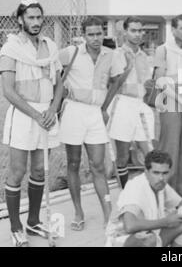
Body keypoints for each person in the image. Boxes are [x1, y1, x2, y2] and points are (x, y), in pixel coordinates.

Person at [0, 0, 63, 246]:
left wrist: (53, 109)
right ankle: (16, 228)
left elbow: (59, 84)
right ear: (21, 19)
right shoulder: (11, 48)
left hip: (47, 113)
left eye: (39, 17)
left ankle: (33, 222)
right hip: (24, 115)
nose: (36, 22)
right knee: (17, 172)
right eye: (31, 18)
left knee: (39, 169)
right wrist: (36, 115)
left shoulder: (50, 46)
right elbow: (8, 90)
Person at [58, 16, 126, 230]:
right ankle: (78, 211)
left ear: (103, 33)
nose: (96, 38)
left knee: (98, 165)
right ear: (83, 34)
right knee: (73, 163)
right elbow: (52, 72)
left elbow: (116, 81)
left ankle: (108, 214)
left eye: (99, 33)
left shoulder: (111, 55)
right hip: (74, 111)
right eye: (91, 34)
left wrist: (105, 107)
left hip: (96, 113)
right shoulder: (71, 52)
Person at [105, 150, 182, 247]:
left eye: (165, 173)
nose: (161, 178)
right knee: (148, 239)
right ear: (146, 172)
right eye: (156, 173)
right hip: (121, 241)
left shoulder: (161, 185)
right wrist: (166, 222)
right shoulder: (136, 188)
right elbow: (130, 226)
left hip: (151, 236)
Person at [107, 17, 154, 188]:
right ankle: (125, 192)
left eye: (140, 31)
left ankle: (153, 192)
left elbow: (148, 85)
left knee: (149, 151)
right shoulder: (117, 54)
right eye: (133, 30)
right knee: (122, 155)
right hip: (122, 104)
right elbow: (114, 83)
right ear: (125, 32)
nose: (137, 34)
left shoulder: (145, 56)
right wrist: (128, 67)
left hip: (140, 105)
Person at [153, 14, 182, 199]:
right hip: (170, 98)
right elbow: (160, 81)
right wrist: (181, 99)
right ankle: (166, 190)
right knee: (170, 145)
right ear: (173, 29)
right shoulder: (163, 49)